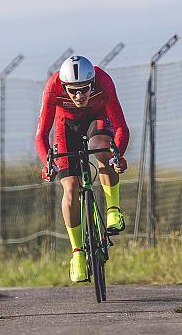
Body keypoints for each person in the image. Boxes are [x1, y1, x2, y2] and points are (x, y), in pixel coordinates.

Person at [35, 55, 130, 282]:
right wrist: (47, 164)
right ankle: (77, 253)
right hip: (65, 126)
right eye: (73, 91)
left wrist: (119, 155)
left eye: (85, 89)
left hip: (96, 120)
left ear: (93, 83)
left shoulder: (104, 82)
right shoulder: (52, 87)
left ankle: (113, 210)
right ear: (64, 86)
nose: (79, 96)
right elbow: (41, 135)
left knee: (101, 150)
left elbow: (121, 127)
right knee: (70, 187)